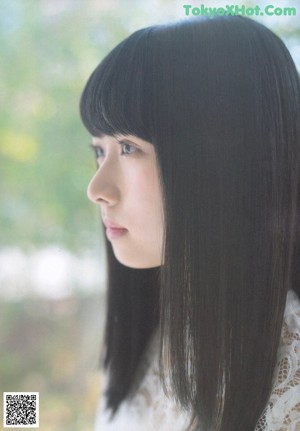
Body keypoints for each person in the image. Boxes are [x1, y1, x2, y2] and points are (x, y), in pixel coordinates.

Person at [80, 15, 300, 431]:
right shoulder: (154, 334)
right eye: (99, 150)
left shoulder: (288, 386)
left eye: (128, 147)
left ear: (223, 161)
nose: (97, 188)